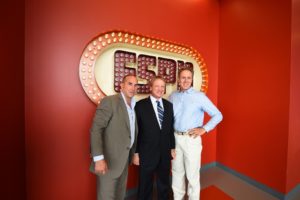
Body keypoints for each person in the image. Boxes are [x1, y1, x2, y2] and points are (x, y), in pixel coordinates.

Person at [169, 68, 223, 200]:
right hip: (175, 138)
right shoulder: (172, 96)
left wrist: (204, 129)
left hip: (191, 139)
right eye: (183, 77)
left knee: (192, 175)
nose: (186, 80)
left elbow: (218, 115)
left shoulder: (199, 97)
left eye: (188, 77)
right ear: (178, 79)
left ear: (192, 79)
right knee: (176, 172)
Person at [89, 74, 138, 200]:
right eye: (129, 83)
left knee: (119, 196)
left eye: (135, 84)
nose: (133, 87)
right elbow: (96, 129)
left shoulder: (133, 106)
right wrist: (98, 159)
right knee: (107, 197)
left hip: (124, 161)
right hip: (108, 162)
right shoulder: (110, 101)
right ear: (121, 86)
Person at [133, 76, 176, 200]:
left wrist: (172, 147)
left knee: (164, 184)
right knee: (145, 185)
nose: (160, 89)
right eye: (157, 86)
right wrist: (136, 153)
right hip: (146, 153)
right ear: (150, 87)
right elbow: (137, 132)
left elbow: (170, 129)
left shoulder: (169, 106)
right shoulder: (140, 106)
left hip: (164, 152)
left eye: (162, 86)